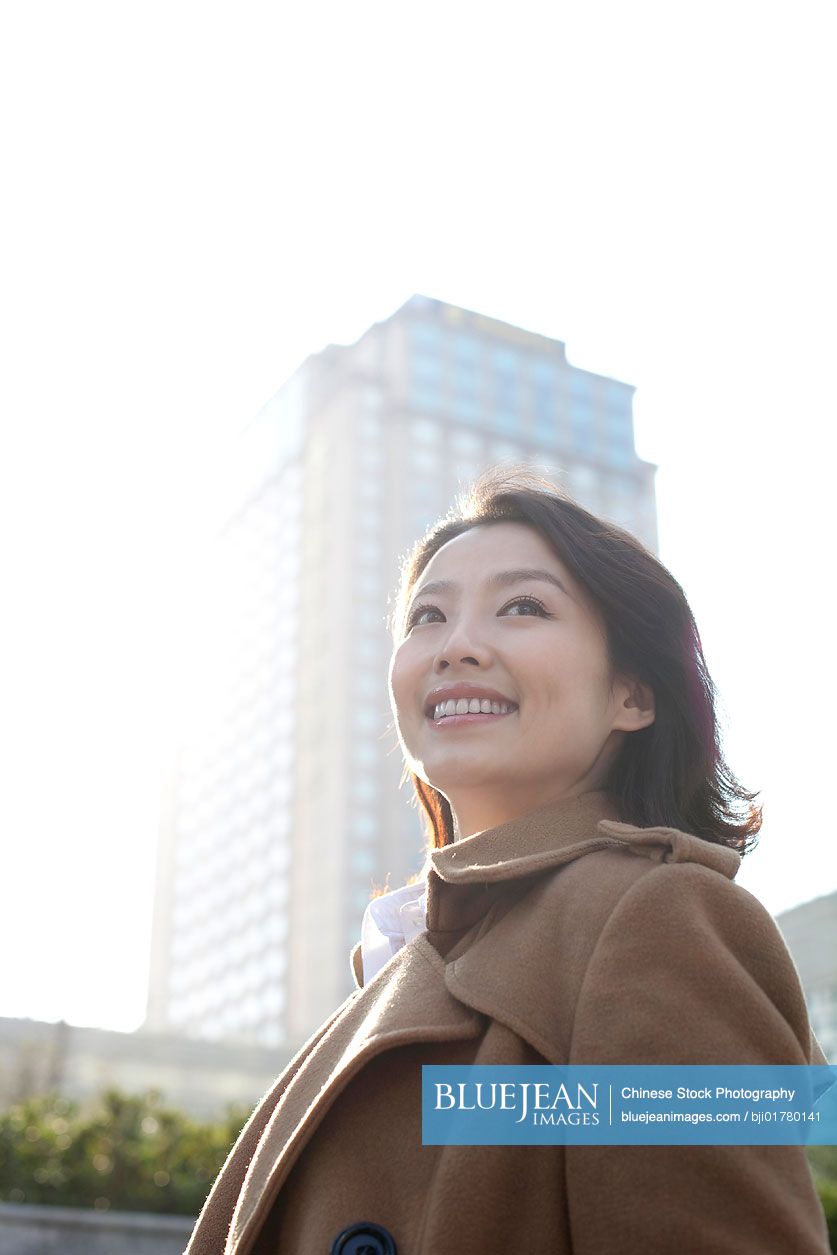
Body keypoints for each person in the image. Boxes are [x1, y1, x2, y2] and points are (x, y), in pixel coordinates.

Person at [185, 466, 831, 1255]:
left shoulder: (656, 919)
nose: (456, 646)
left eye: (522, 606)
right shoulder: (401, 957)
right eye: (427, 616)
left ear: (631, 695)